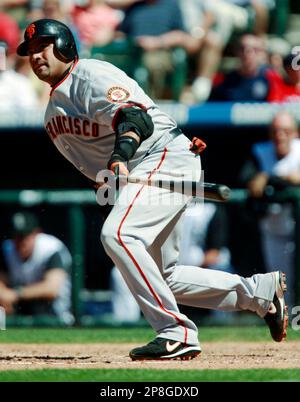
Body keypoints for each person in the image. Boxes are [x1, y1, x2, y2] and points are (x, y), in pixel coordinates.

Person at [17, 18, 288, 361]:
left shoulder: (90, 74)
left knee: (117, 236)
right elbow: (98, 171)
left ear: (65, 46)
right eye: (30, 51)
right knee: (163, 276)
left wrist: (120, 157)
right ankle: (260, 294)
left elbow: (135, 119)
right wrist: (110, 183)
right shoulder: (52, 114)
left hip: (161, 155)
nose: (36, 56)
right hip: (146, 172)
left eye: (43, 45)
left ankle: (176, 331)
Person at [240, 111, 300, 306]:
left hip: (296, 229)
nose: (280, 136)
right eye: (275, 131)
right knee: (282, 287)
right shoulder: (260, 151)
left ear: (295, 133)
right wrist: (278, 179)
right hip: (274, 231)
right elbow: (249, 182)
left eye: (285, 131)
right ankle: (290, 329)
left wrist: (271, 178)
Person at [0, 212, 73, 324]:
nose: (21, 241)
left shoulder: (51, 248)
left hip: (55, 314)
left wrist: (15, 294)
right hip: (20, 310)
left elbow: (51, 290)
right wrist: (3, 293)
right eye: (17, 236)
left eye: (25, 236)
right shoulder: (7, 249)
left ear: (36, 233)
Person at [209, 34, 275, 102]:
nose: (248, 54)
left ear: (264, 54)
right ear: (236, 51)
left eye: (256, 50)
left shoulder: (274, 80)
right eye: (243, 49)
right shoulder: (222, 82)